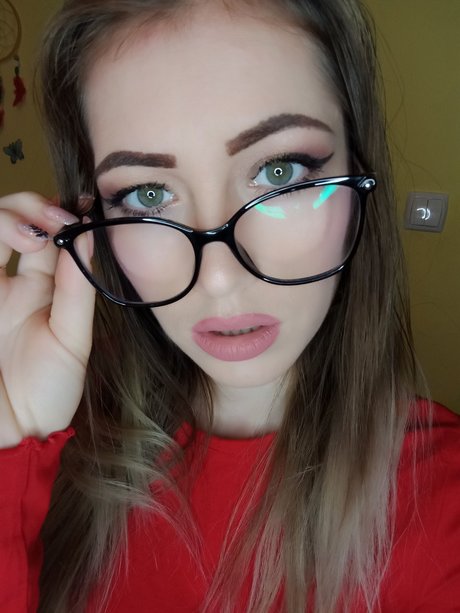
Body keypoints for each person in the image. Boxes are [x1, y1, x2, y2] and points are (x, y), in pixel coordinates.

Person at [0, 0, 459, 611]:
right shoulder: (50, 436)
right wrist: (14, 434)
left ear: (358, 167)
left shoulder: (443, 509)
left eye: (279, 172)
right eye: (148, 194)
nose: (219, 278)